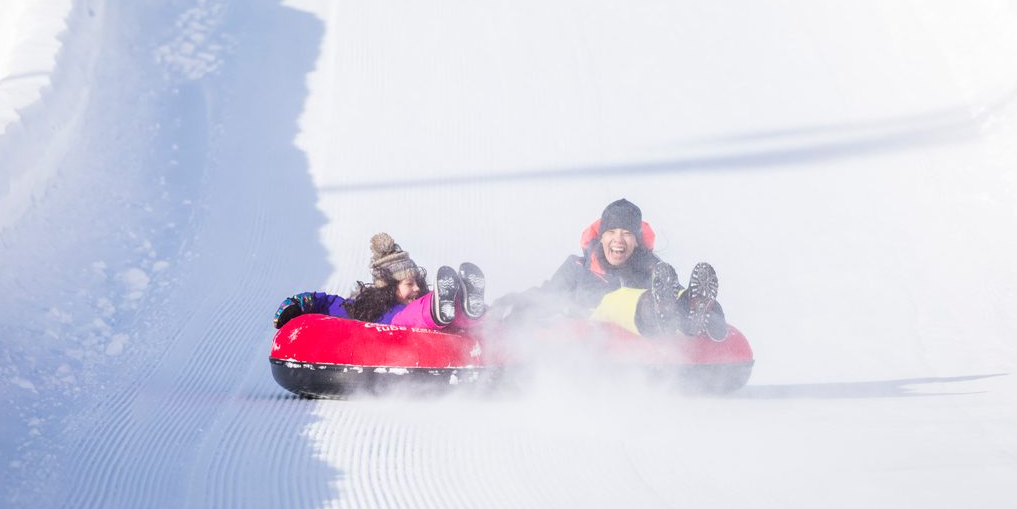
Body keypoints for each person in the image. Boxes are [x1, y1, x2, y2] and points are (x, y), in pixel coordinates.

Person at [495, 198, 729, 341]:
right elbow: (546, 297)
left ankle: (694, 309)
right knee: (615, 301)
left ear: (637, 241)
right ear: (601, 236)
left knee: (674, 293)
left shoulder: (649, 267)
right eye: (612, 232)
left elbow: (671, 287)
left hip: (647, 334)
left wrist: (713, 318)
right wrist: (511, 306)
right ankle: (655, 308)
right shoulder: (577, 268)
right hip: (594, 326)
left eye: (627, 233)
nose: (619, 239)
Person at [273, 232, 485, 331]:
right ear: (390, 288)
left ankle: (468, 307)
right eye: (409, 284)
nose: (417, 288)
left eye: (417, 282)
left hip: (435, 315)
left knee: (451, 312)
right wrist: (294, 306)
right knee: (412, 315)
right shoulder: (364, 309)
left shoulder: (422, 298)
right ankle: (440, 311)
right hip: (407, 327)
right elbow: (324, 302)